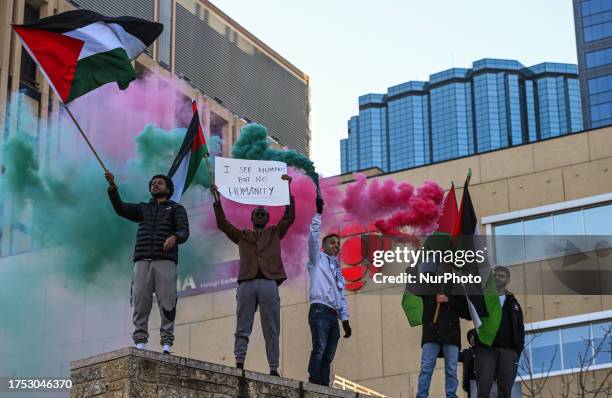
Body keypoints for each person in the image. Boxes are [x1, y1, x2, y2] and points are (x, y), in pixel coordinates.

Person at [211, 175, 294, 376]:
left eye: (263, 213)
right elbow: (223, 224)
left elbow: (289, 216)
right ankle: (239, 362)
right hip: (247, 282)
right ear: (251, 218)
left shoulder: (275, 232)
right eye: (256, 213)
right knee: (243, 325)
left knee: (271, 327)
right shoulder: (242, 235)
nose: (259, 215)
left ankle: (273, 368)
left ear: (267, 219)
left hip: (268, 282)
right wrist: (217, 201)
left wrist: (287, 190)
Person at [105, 172, 189, 354]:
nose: (155, 185)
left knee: (167, 302)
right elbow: (120, 208)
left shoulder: (176, 209)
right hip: (142, 261)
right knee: (140, 302)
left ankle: (167, 344)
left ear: (168, 189)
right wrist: (113, 188)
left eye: (159, 183)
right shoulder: (143, 209)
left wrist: (174, 237)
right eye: (153, 183)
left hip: (165, 261)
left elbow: (184, 231)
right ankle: (140, 343)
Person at [306, 195, 351, 386]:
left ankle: (322, 384)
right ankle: (314, 379)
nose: (336, 246)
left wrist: (345, 320)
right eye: (332, 243)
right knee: (320, 347)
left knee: (329, 353)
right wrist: (318, 213)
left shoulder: (337, 271)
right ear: (324, 247)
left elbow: (341, 296)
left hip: (333, 315)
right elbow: (313, 238)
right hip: (319, 310)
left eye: (338, 244)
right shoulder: (317, 260)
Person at [475, 265, 524, 398]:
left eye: (501, 276)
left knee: (505, 391)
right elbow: (474, 316)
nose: (497, 278)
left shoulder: (513, 303)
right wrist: (474, 336)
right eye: (495, 275)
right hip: (486, 349)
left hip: (508, 351)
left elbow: (520, 328)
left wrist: (517, 351)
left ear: (507, 280)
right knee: (483, 389)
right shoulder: (483, 298)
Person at [416, 279, 471, 398]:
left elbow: (467, 313)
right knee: (426, 368)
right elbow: (414, 288)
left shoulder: (456, 286)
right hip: (431, 334)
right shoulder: (427, 282)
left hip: (451, 334)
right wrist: (411, 270)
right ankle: (421, 396)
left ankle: (451, 395)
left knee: (451, 369)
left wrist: (448, 300)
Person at [459, 329, 477, 397]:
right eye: (470, 337)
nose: (472, 339)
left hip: (484, 383)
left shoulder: (486, 352)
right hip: (470, 384)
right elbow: (454, 356)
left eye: (474, 336)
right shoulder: (466, 352)